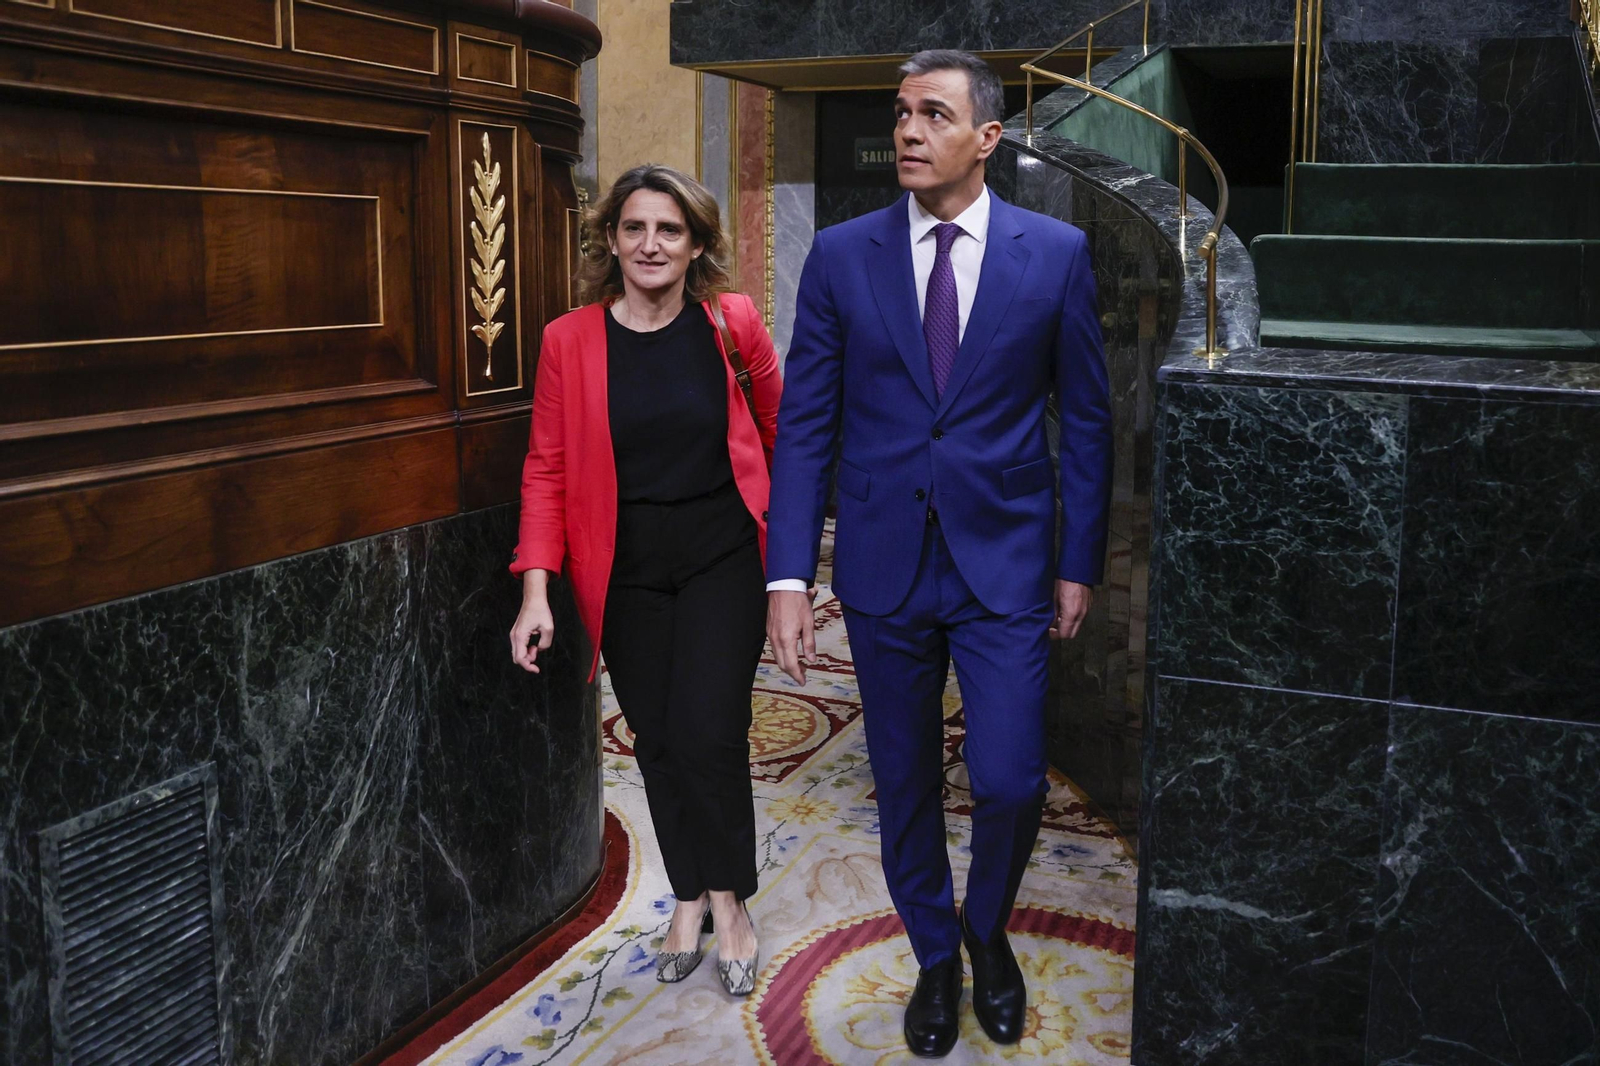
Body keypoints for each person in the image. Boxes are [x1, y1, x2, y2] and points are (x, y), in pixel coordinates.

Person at [764, 50, 1113, 1057]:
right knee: (903, 776)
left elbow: (1086, 421)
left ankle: (985, 930)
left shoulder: (1053, 254)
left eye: (932, 114)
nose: (907, 132)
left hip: (1005, 561)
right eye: (901, 113)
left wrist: (1076, 560)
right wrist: (789, 574)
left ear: (986, 138)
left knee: (1008, 777)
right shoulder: (840, 255)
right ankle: (931, 951)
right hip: (881, 565)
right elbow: (807, 427)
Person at [509, 163, 780, 997]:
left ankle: (729, 901)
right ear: (612, 241)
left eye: (669, 229)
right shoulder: (569, 339)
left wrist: (794, 573)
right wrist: (535, 591)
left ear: (697, 243)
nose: (651, 244)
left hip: (721, 557)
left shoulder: (732, 323)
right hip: (623, 570)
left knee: (706, 731)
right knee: (656, 739)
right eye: (635, 228)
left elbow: (786, 429)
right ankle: (688, 895)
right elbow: (547, 467)